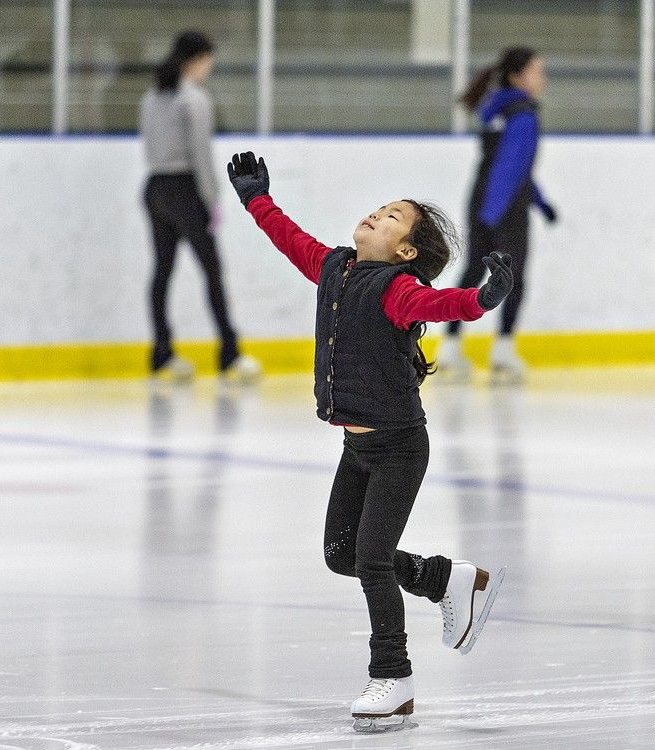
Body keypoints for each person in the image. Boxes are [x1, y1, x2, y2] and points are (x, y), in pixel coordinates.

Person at [226, 151, 509, 731]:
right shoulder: (334, 267)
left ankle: (395, 680)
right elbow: (289, 238)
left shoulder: (397, 289)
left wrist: (479, 300)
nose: (376, 216)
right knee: (340, 556)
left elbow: (440, 302)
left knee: (373, 560)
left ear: (405, 252)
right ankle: (444, 579)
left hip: (400, 447)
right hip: (357, 448)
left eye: (392, 217)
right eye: (379, 209)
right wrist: (255, 199)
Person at [139, 30, 259, 382]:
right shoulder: (194, 99)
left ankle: (161, 353)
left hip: (156, 187)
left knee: (162, 270)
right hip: (185, 189)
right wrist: (212, 199)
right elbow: (201, 155)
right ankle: (229, 353)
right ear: (198, 60)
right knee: (212, 270)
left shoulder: (153, 96)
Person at [438, 46, 557, 383]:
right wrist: (501, 212)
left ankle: (450, 346)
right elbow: (511, 168)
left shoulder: (496, 110)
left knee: (474, 269)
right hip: (504, 207)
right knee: (513, 276)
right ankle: (503, 352)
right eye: (537, 70)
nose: (543, 77)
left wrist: (540, 201)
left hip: (481, 199)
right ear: (517, 77)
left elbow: (508, 163)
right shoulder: (524, 113)